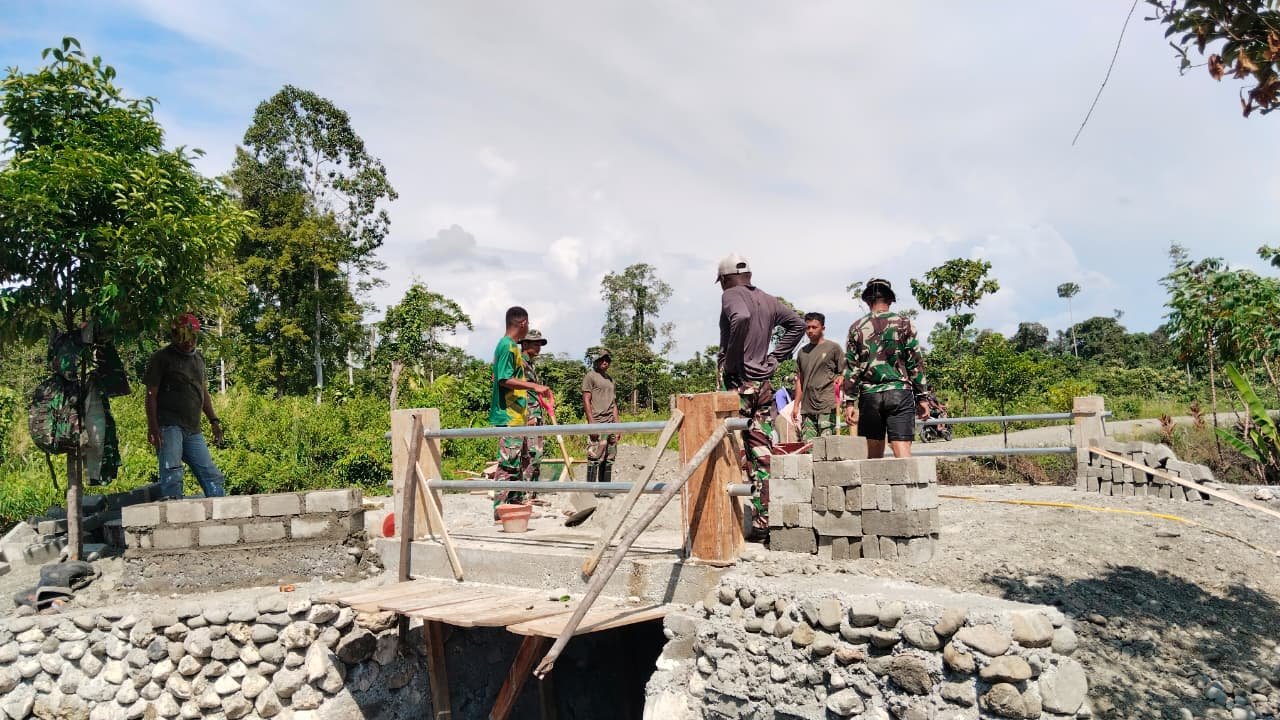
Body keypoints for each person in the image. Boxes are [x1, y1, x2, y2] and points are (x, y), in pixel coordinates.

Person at [716, 253, 805, 537]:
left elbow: (741, 318)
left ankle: (723, 525)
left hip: (738, 385)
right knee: (762, 452)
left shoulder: (731, 295)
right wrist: (775, 358)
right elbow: (798, 325)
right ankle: (763, 521)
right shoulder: (767, 299)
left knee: (726, 448)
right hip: (763, 385)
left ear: (726, 278)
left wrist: (732, 361)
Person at [842, 278, 929, 459]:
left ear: (868, 301)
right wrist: (922, 397)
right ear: (890, 300)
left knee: (873, 455)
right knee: (902, 449)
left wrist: (849, 402)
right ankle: (906, 478)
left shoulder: (856, 328)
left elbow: (851, 368)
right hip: (899, 392)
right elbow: (915, 363)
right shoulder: (904, 323)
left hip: (870, 396)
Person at [143, 313, 227, 499]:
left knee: (210, 474)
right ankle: (172, 512)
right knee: (172, 472)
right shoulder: (161, 358)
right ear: (174, 336)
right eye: (183, 338)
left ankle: (220, 509)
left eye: (192, 338)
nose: (188, 342)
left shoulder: (199, 359)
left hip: (193, 428)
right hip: (168, 425)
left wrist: (214, 420)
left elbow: (203, 392)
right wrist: (153, 427)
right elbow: (151, 395)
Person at [490, 307, 550, 508]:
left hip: (518, 416)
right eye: (528, 323)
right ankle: (500, 509)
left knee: (519, 465)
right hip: (509, 416)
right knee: (509, 464)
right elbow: (503, 378)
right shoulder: (507, 346)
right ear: (523, 323)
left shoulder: (511, 348)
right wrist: (534, 386)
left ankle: (515, 508)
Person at [792, 312, 846, 441]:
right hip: (807, 407)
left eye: (814, 327)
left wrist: (842, 378)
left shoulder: (833, 348)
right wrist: (796, 405)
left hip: (826, 405)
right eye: (807, 327)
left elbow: (844, 372)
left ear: (823, 328)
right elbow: (800, 380)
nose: (810, 330)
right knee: (809, 445)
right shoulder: (802, 352)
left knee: (827, 444)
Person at [581, 348, 618, 484]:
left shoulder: (610, 380)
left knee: (610, 457)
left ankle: (604, 489)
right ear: (596, 361)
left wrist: (618, 426)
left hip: (610, 424)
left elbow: (614, 404)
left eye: (607, 360)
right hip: (597, 421)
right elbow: (586, 399)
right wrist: (591, 422)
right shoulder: (591, 376)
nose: (605, 362)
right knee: (595, 456)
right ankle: (590, 490)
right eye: (602, 359)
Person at [520, 329, 550, 484]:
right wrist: (528, 415)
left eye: (540, 344)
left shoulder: (530, 364)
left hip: (536, 414)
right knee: (531, 454)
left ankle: (533, 491)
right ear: (525, 344)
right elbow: (517, 389)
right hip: (528, 414)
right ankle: (527, 490)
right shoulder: (519, 362)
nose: (539, 347)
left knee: (537, 454)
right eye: (535, 343)